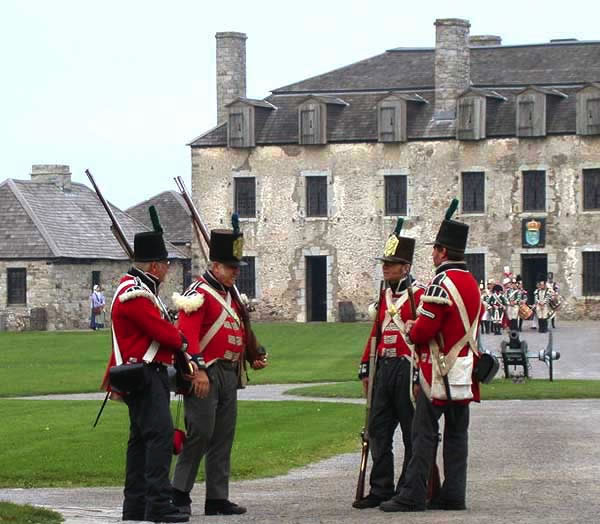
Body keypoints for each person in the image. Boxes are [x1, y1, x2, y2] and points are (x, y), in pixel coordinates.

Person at [380, 199, 482, 513]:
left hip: (436, 371)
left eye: (435, 249)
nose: (433, 254)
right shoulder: (472, 283)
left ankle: (412, 494)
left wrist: (411, 327)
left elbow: (424, 330)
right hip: (463, 370)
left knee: (423, 433)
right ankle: (454, 493)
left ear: (442, 251)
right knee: (456, 434)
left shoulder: (442, 282)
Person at [171, 222, 267, 517]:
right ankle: (178, 492)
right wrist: (197, 371)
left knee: (223, 436)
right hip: (206, 373)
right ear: (215, 265)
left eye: (237, 266)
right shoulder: (197, 293)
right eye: (230, 266)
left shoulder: (231, 295)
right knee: (200, 432)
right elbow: (186, 338)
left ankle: (217, 497)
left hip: (229, 373)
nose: (236, 271)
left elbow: (241, 330)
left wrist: (253, 355)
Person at [101, 219, 191, 523]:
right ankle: (157, 504)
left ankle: (136, 505)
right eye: (165, 263)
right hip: (145, 375)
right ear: (154, 265)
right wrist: (181, 339)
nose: (168, 268)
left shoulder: (140, 289)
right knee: (159, 437)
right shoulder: (135, 294)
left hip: (143, 374)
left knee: (141, 440)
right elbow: (163, 333)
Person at [352, 220, 425, 509]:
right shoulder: (384, 295)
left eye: (391, 263)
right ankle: (380, 488)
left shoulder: (419, 295)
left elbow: (423, 339)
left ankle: (406, 489)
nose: (385, 268)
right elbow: (376, 333)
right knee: (378, 430)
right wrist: (366, 369)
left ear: (404, 267)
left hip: (407, 368)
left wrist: (420, 376)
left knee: (410, 432)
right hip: (384, 366)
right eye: (385, 262)